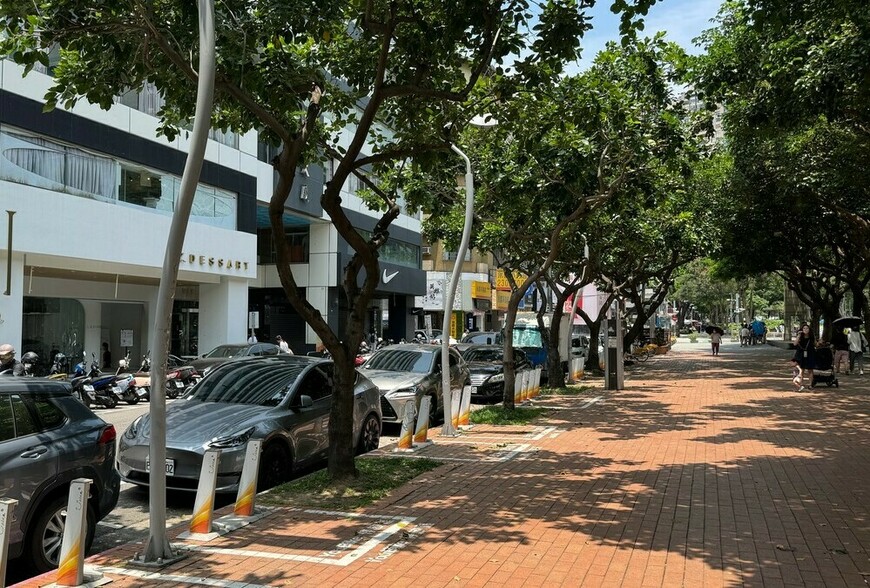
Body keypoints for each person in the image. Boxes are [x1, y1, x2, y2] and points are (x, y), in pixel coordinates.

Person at [793, 323, 816, 391]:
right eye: (804, 328)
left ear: (809, 330)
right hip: (801, 355)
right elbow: (795, 344)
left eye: (807, 328)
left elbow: (815, 344)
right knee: (801, 370)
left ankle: (810, 385)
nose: (805, 330)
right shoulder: (800, 337)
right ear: (802, 330)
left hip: (810, 354)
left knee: (810, 370)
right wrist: (799, 335)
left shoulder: (812, 337)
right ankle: (801, 384)